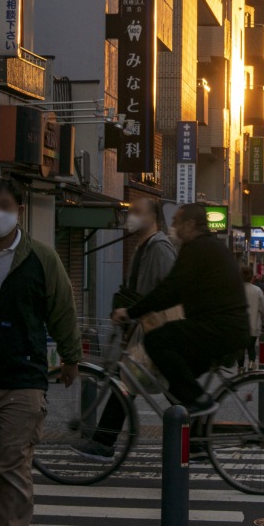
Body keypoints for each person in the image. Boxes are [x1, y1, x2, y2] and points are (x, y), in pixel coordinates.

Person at [0, 177, 81, 526]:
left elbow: (61, 308)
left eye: (6, 205)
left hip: (24, 377)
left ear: (19, 211)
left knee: (14, 463)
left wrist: (71, 356)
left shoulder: (41, 258)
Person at [112, 203, 249, 414]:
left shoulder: (197, 248)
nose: (173, 226)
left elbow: (170, 290)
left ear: (190, 224)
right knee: (176, 382)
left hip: (219, 329)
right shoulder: (209, 246)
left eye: (176, 222)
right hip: (226, 328)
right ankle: (194, 437)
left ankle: (200, 402)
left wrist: (131, 313)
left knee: (156, 340)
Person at [73, 196, 176, 460]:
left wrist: (138, 317)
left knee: (126, 381)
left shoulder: (159, 248)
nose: (131, 216)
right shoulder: (143, 247)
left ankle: (104, 441)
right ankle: (196, 434)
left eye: (137, 211)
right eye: (131, 211)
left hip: (156, 331)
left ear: (153, 218)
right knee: (142, 383)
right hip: (145, 330)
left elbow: (168, 295)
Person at [240, 265, 264, 369]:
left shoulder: (237, 290)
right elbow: (263, 309)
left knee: (241, 348)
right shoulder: (257, 290)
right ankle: (251, 364)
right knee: (251, 347)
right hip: (254, 324)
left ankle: (240, 368)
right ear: (252, 277)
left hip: (240, 325)